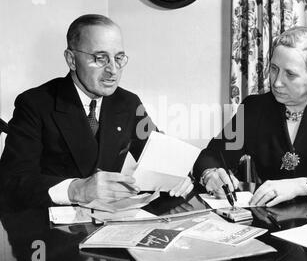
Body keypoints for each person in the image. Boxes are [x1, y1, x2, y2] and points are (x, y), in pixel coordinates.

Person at [0, 14, 193, 210]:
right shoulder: (35, 104)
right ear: (72, 60)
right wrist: (76, 190)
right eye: (100, 58)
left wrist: (182, 175)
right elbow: (12, 181)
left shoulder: (128, 103)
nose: (113, 70)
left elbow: (160, 152)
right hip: (48, 229)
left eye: (118, 58)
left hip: (110, 225)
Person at [193, 26, 307, 207]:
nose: (276, 82)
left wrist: (301, 186)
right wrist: (211, 174)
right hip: (272, 220)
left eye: (290, 74)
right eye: (273, 69)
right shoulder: (254, 109)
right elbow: (211, 155)